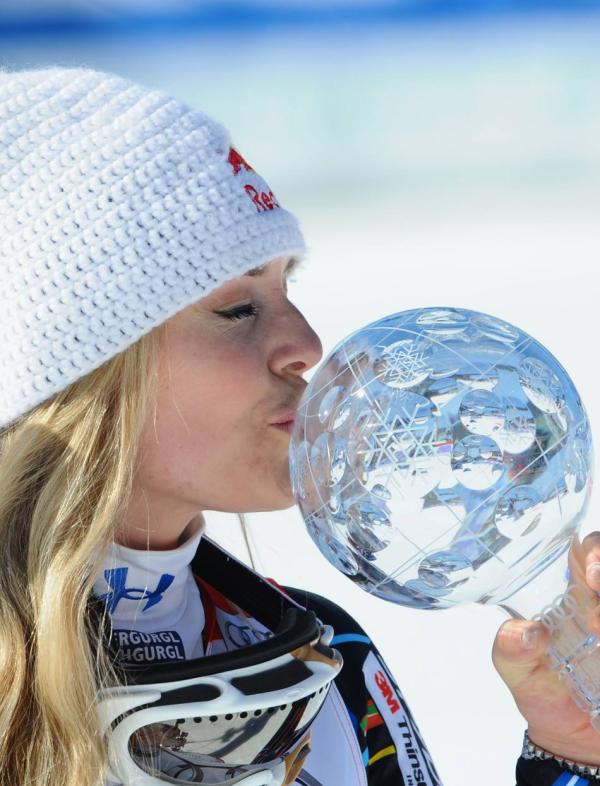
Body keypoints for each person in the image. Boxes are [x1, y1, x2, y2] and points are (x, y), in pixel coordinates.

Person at [0, 65, 599, 786]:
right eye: (236, 308)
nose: (306, 345)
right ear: (70, 370)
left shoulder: (323, 656)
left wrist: (573, 755)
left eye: (288, 288)